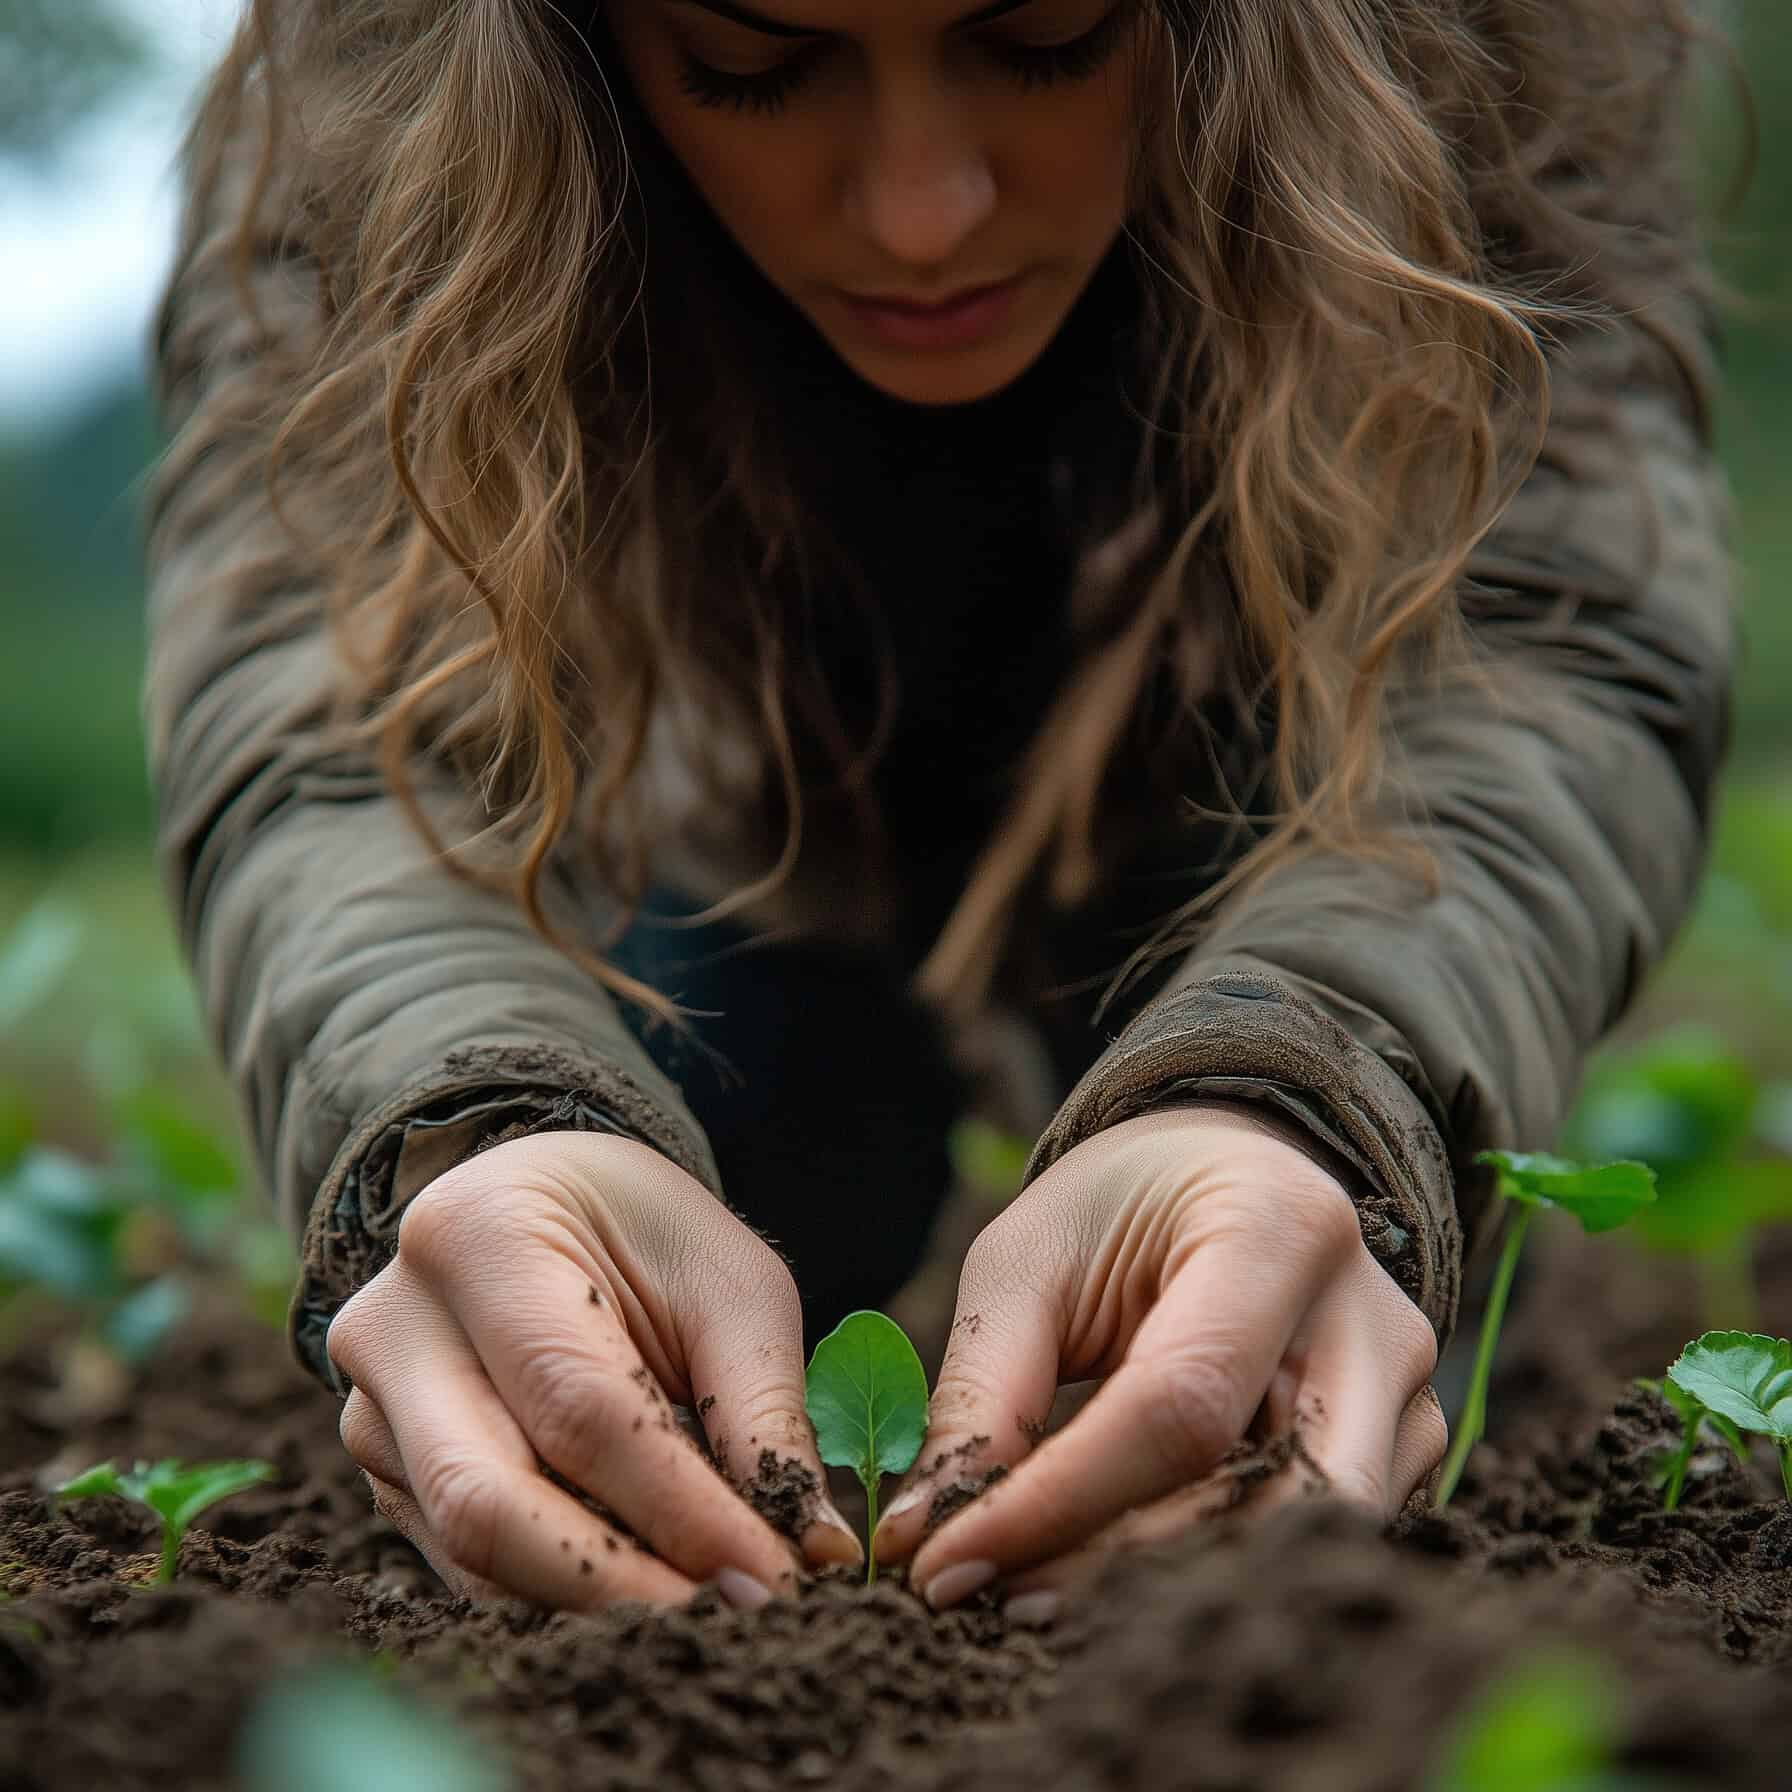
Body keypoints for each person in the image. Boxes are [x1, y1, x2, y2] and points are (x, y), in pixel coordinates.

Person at [140, 0, 1737, 1620]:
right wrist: (474, 1124)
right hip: (723, 812)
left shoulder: (1497, 42)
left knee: (1280, 1341)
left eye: (1047, 34)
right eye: (751, 61)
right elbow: (332, 724)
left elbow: (1554, 631)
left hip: (1258, 753)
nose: (923, 215)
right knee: (740, 1191)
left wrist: (1305, 1089)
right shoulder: (360, 97)